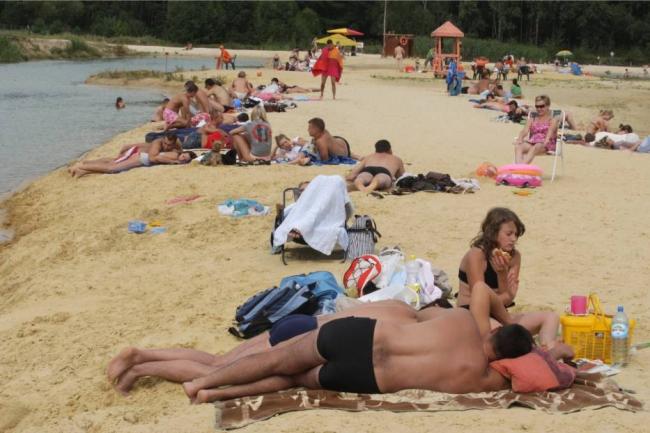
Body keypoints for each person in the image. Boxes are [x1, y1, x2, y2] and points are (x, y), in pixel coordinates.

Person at [457, 208, 561, 349]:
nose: (513, 239)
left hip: (500, 314)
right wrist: (506, 296)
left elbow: (508, 298)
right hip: (472, 314)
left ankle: (547, 351)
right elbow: (480, 300)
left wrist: (502, 275)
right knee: (504, 335)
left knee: (551, 317)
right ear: (493, 233)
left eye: (516, 234)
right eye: (509, 234)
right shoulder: (476, 255)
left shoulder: (514, 257)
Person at [69, 134, 196, 178]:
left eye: (169, 145)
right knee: (112, 165)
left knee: (112, 162)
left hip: (138, 154)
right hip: (134, 151)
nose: (167, 146)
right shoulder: (157, 143)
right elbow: (153, 157)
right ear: (163, 140)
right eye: (166, 144)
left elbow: (179, 152)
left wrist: (179, 156)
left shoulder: (176, 145)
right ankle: (81, 166)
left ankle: (84, 166)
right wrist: (172, 161)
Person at [515, 95, 559, 164]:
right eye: (537, 106)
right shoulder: (532, 119)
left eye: (542, 106)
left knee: (536, 147)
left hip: (546, 145)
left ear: (548, 106)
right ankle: (519, 167)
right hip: (532, 142)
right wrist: (520, 138)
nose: (539, 109)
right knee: (519, 147)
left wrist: (545, 141)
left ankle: (520, 168)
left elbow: (550, 133)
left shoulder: (552, 120)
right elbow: (524, 131)